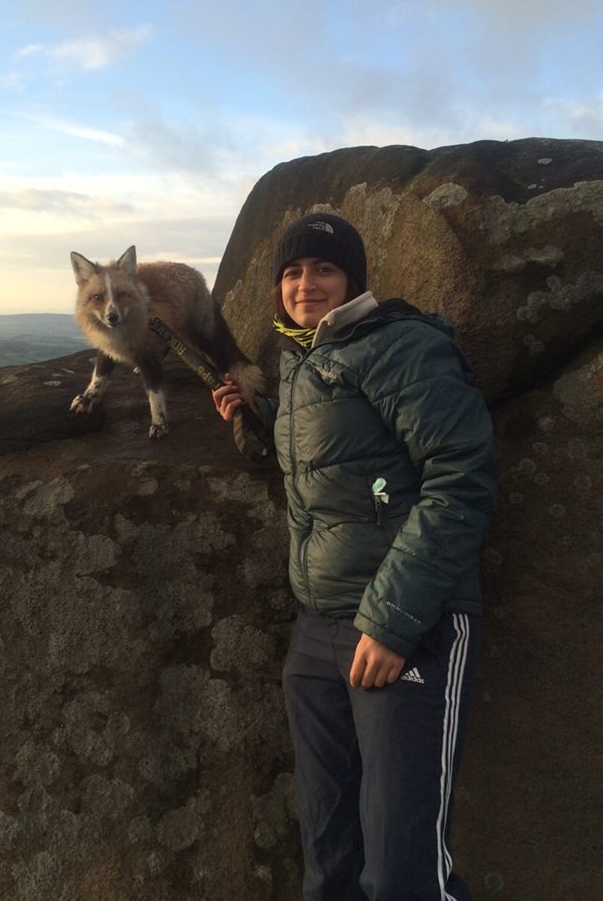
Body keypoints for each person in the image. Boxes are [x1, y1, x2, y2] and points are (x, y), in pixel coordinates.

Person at [212, 212, 497, 901]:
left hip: (408, 628)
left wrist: (394, 621)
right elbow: (335, 464)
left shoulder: (400, 344)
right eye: (291, 272)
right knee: (329, 858)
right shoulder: (310, 363)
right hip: (318, 634)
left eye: (322, 269)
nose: (304, 283)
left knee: (402, 870)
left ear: (352, 280)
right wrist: (255, 422)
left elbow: (461, 474)